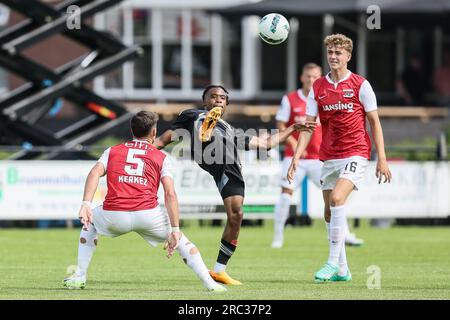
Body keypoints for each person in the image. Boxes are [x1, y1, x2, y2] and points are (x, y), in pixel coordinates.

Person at [155, 85, 305, 285]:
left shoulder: (231, 130)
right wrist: (146, 149)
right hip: (209, 152)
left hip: (230, 169)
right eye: (213, 96)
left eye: (222, 98)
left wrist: (293, 128)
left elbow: (266, 143)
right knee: (203, 128)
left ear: (226, 103)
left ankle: (219, 270)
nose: (218, 99)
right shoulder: (192, 114)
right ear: (204, 100)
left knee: (237, 215)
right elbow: (167, 137)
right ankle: (205, 134)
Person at [63, 111, 226, 292]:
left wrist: (86, 204)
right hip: (148, 215)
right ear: (154, 133)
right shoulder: (161, 157)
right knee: (183, 242)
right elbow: (170, 193)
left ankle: (80, 276)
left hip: (114, 215)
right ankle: (210, 283)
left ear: (132, 131)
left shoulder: (112, 151)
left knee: (89, 223)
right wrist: (175, 230)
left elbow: (94, 173)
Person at [287, 34, 392, 282]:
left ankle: (332, 262)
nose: (333, 57)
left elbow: (375, 122)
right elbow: (308, 126)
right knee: (328, 212)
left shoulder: (360, 85)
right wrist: (296, 157)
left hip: (356, 152)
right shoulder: (318, 87)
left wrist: (382, 158)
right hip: (329, 156)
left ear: (348, 56)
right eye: (330, 53)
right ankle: (343, 270)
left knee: (336, 199)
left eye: (338, 53)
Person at [272, 63, 363, 249]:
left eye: (315, 77)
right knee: (285, 194)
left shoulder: (325, 96)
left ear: (320, 77)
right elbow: (280, 126)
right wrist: (295, 145)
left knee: (337, 198)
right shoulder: (290, 99)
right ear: (302, 77)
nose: (311, 80)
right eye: (308, 76)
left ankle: (345, 235)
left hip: (320, 159)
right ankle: (278, 237)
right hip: (294, 157)